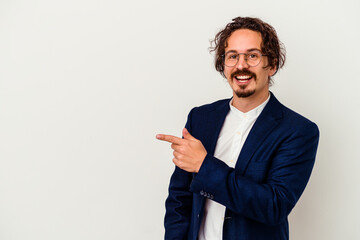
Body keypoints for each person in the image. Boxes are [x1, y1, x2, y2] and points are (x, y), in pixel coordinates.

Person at [156, 16, 319, 240]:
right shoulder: (200, 118)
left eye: (252, 56)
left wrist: (204, 166)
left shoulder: (298, 131)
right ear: (223, 65)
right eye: (232, 56)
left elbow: (273, 206)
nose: (241, 65)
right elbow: (179, 198)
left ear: (271, 65)